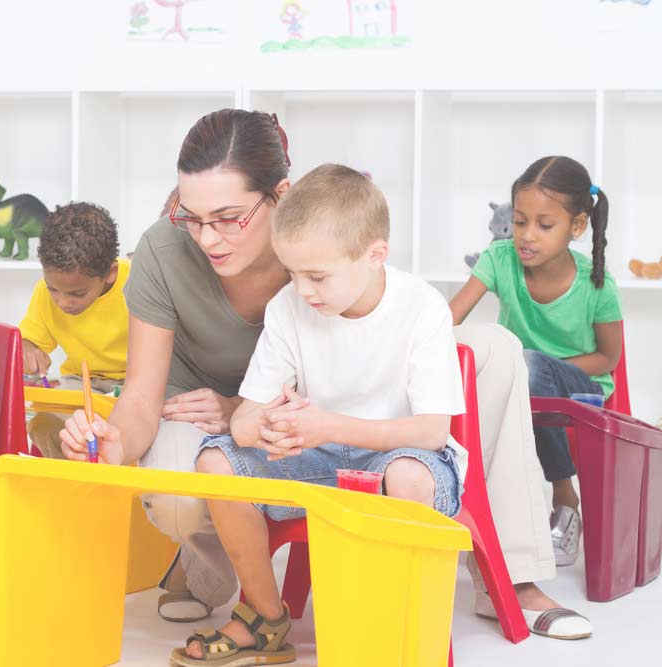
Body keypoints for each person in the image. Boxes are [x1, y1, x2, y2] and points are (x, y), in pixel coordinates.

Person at [59, 109, 591, 641]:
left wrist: (277, 415)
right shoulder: (178, 255)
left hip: (321, 413)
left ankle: (511, 576)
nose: (207, 238)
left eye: (228, 217)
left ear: (280, 195)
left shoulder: (326, 232)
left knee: (496, 348)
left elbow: (374, 355)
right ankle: (214, 576)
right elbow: (144, 395)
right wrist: (120, 441)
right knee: (187, 489)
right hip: (245, 417)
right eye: (189, 216)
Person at [168, 163, 466, 665]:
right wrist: (264, 429)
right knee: (217, 462)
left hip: (396, 459)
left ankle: (389, 624)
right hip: (317, 458)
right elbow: (242, 419)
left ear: (375, 256)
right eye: (293, 273)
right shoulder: (289, 307)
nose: (303, 290)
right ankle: (264, 616)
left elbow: (433, 431)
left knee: (410, 474)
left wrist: (326, 425)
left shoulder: (423, 307)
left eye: (318, 276)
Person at [450, 155, 621, 574]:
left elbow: (607, 358)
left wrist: (537, 366)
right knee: (496, 369)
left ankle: (564, 496)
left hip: (582, 387)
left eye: (544, 226)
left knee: (524, 365)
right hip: (519, 382)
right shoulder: (499, 259)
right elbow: (447, 321)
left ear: (576, 227)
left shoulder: (596, 283)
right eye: (520, 220)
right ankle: (471, 509)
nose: (526, 236)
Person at [20, 202, 129, 458]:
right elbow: (28, 340)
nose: (63, 302)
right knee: (44, 422)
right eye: (53, 289)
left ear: (110, 273)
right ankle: (75, 487)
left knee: (120, 433)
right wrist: (28, 349)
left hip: (132, 384)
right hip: (81, 383)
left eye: (78, 293)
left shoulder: (137, 284)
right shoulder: (45, 292)